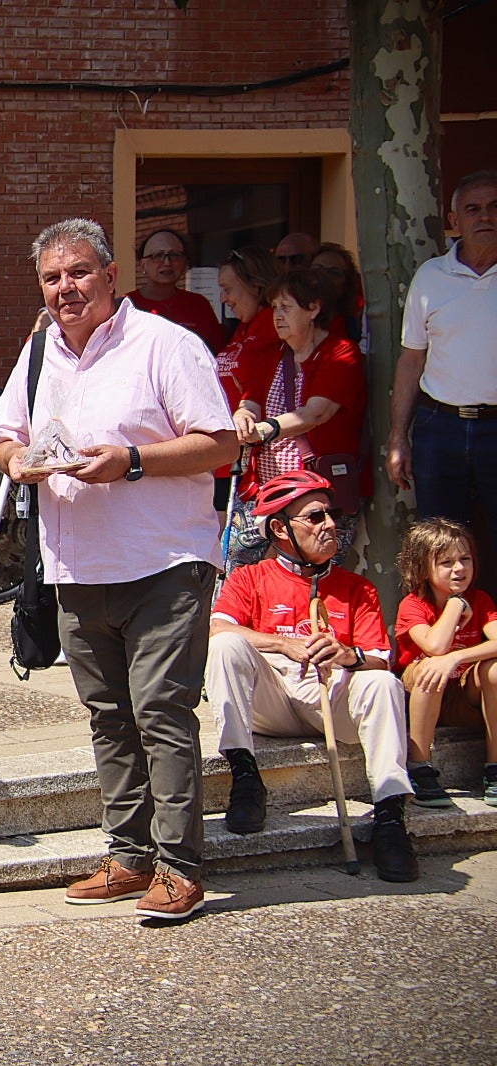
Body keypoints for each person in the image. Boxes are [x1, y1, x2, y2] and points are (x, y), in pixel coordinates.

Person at [0, 218, 237, 921]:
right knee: (108, 716)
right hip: (77, 564)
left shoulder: (165, 344)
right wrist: (20, 463)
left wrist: (130, 461)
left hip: (163, 559)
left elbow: (217, 444)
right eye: (51, 277)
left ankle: (181, 868)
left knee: (161, 711)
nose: (65, 288)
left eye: (77, 272)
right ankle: (129, 857)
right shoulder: (38, 353)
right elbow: (6, 435)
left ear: (110, 274)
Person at [204, 470, 419, 882]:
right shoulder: (250, 577)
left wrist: (347, 655)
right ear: (280, 529)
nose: (330, 525)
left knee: (383, 682)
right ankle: (245, 777)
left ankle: (391, 816)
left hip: (332, 704)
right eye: (316, 517)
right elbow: (217, 627)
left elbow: (380, 659)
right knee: (226, 646)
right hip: (273, 700)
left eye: (331, 514)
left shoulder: (358, 588)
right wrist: (282, 644)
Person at [387, 170, 497, 581]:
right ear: (454, 221)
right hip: (440, 427)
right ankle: (441, 640)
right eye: (473, 209)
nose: (485, 216)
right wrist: (399, 438)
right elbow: (411, 359)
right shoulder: (431, 277)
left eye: (494, 207)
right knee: (439, 544)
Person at [230, 268, 367, 562]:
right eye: (274, 307)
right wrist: (243, 417)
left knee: (311, 576)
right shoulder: (270, 355)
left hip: (318, 497)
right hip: (267, 490)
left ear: (313, 309)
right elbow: (250, 402)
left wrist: (265, 430)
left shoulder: (341, 353)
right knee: (242, 571)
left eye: (286, 307)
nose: (277, 315)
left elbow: (315, 414)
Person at [393, 517, 497, 807]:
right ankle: (420, 766)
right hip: (424, 697)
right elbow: (435, 646)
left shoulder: (482, 600)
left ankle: (494, 768)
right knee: (430, 667)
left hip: (466, 697)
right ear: (423, 569)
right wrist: (455, 604)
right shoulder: (412, 604)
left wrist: (457, 657)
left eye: (465, 559)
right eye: (447, 563)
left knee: (495, 670)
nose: (460, 569)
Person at [213, 246, 282, 514]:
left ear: (255, 285)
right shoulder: (244, 326)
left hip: (249, 456)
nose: (223, 298)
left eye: (229, 289)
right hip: (225, 454)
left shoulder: (270, 325)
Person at [125, 228, 223, 351]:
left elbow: (215, 354)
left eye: (174, 255)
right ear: (143, 265)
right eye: (157, 255)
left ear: (185, 262)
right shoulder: (126, 305)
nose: (167, 262)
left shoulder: (199, 305)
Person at [312, 241, 367, 349]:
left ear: (346, 283)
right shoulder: (288, 320)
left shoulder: (354, 329)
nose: (324, 276)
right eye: (317, 269)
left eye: (334, 272)